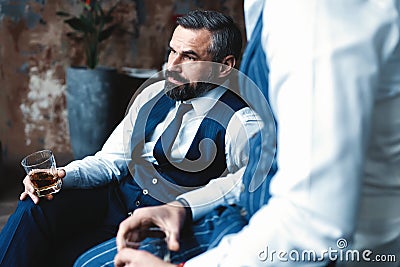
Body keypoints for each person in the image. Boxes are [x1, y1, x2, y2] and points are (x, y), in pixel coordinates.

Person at [111, 0, 400, 266]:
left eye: (188, 57)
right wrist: (183, 207)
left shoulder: (311, 11)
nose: (172, 66)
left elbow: (314, 222)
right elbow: (264, 170)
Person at [0, 10, 263, 267]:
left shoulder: (241, 122)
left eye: (189, 57)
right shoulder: (153, 95)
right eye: (172, 51)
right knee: (32, 208)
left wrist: (183, 208)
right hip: (113, 204)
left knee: (78, 259)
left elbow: (245, 186)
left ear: (224, 67)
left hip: (157, 227)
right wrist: (63, 175)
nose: (172, 66)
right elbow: (110, 161)